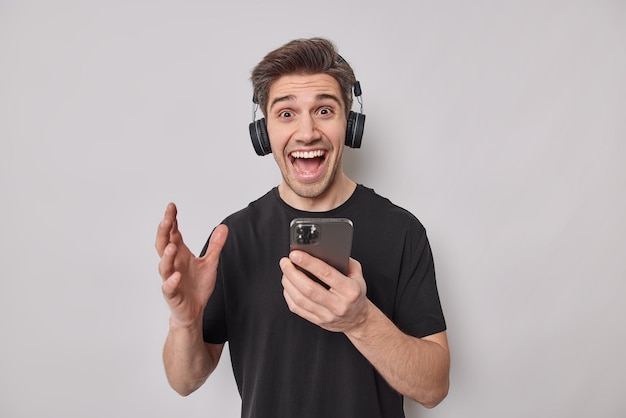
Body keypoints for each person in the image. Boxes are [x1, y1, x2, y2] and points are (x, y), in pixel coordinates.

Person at [156, 37, 450, 418]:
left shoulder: (403, 232)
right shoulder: (231, 238)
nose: (307, 132)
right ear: (264, 132)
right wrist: (186, 320)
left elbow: (433, 388)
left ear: (351, 123)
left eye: (325, 111)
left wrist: (360, 320)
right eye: (287, 113)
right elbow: (184, 381)